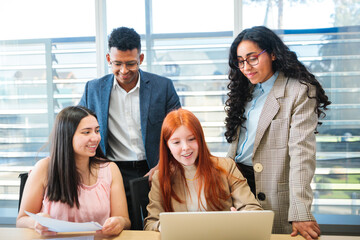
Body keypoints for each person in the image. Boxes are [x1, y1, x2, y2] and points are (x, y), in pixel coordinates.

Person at [225, 26, 331, 240]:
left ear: (273, 53)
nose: (246, 67)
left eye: (252, 58)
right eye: (241, 61)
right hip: (237, 185)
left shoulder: (299, 90)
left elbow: (302, 155)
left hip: (272, 187)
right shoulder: (244, 90)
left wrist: (301, 210)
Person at [78, 27, 181, 227]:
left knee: (161, 225)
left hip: (155, 168)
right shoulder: (94, 89)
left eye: (130, 64)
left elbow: (180, 131)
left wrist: (163, 165)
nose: (124, 71)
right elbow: (75, 128)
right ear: (108, 58)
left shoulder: (163, 86)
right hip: (112, 169)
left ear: (140, 58)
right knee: (124, 226)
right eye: (117, 63)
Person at [16, 106, 130, 236]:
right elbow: (21, 220)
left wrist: (119, 222)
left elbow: (124, 219)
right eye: (86, 132)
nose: (96, 138)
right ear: (67, 136)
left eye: (97, 131)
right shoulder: (43, 168)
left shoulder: (110, 169)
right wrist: (36, 223)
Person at [144, 109, 262, 231]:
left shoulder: (227, 167)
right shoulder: (161, 178)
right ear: (167, 146)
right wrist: (166, 226)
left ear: (200, 139)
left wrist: (242, 217)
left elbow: (253, 208)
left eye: (191, 139)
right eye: (176, 142)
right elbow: (150, 223)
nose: (185, 148)